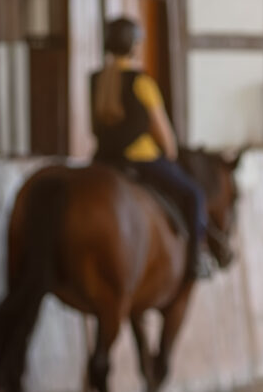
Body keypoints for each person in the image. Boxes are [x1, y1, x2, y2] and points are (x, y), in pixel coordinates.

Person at [88, 15, 206, 289]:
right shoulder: (141, 82)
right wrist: (171, 152)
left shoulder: (95, 80)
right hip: (141, 161)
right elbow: (164, 135)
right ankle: (195, 261)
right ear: (133, 47)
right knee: (194, 194)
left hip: (104, 160)